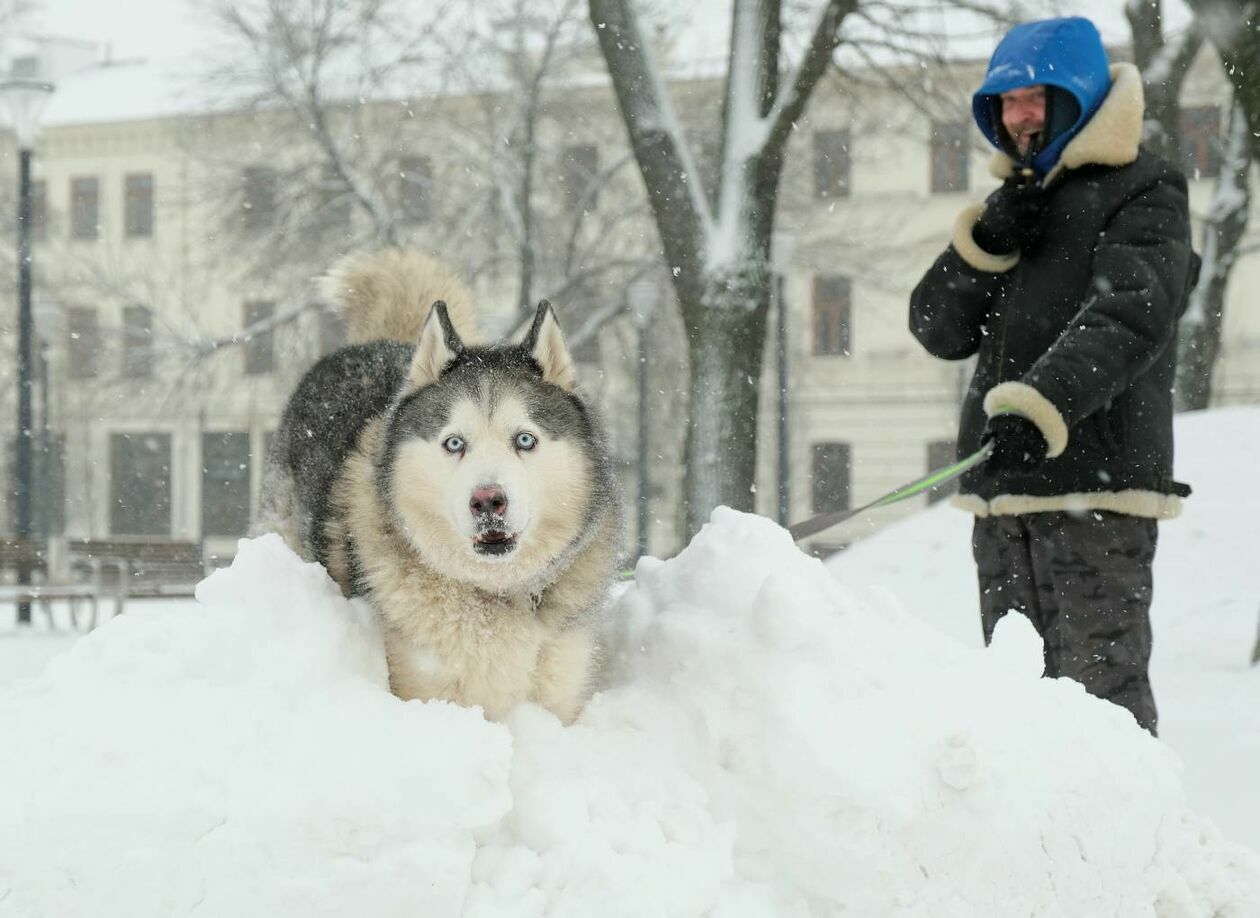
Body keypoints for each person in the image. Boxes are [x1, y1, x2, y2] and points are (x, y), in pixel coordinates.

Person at [908, 16, 1198, 735]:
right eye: (1005, 103)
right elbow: (936, 329)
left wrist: (1039, 404)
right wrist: (984, 244)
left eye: (1036, 98)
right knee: (1017, 716)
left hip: (1096, 492)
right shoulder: (1013, 204)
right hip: (1004, 497)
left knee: (1101, 710)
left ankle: (1127, 848)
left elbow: (1131, 313)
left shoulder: (1146, 187)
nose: (1020, 116)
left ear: (1081, 96)